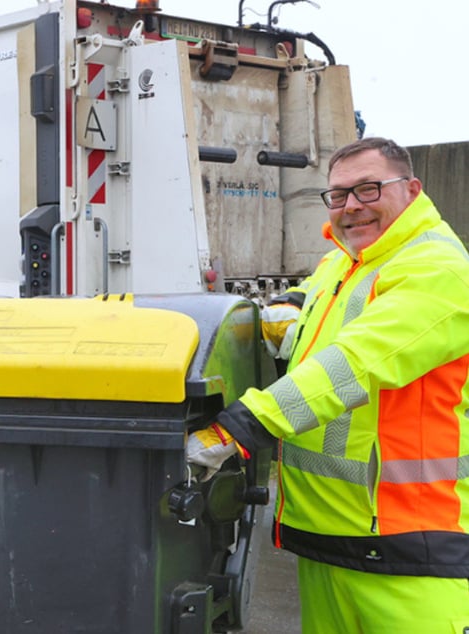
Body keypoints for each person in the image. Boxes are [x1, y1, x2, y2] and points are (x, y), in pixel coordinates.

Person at [188, 137, 469, 633]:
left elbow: (356, 363)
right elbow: (315, 313)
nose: (351, 207)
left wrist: (239, 429)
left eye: (367, 189)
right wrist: (288, 315)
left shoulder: (438, 269)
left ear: (412, 189)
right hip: (324, 537)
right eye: (338, 195)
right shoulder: (343, 262)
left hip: (409, 543)